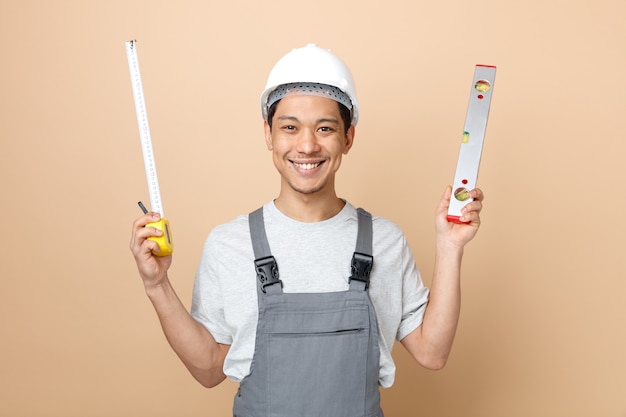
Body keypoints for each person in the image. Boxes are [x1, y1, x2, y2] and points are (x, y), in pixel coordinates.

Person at [130, 43, 484, 417]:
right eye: (290, 127)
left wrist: (450, 247)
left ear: (348, 137)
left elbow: (432, 352)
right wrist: (157, 286)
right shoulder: (228, 244)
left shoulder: (385, 240)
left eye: (325, 128)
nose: (307, 145)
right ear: (269, 134)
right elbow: (209, 369)